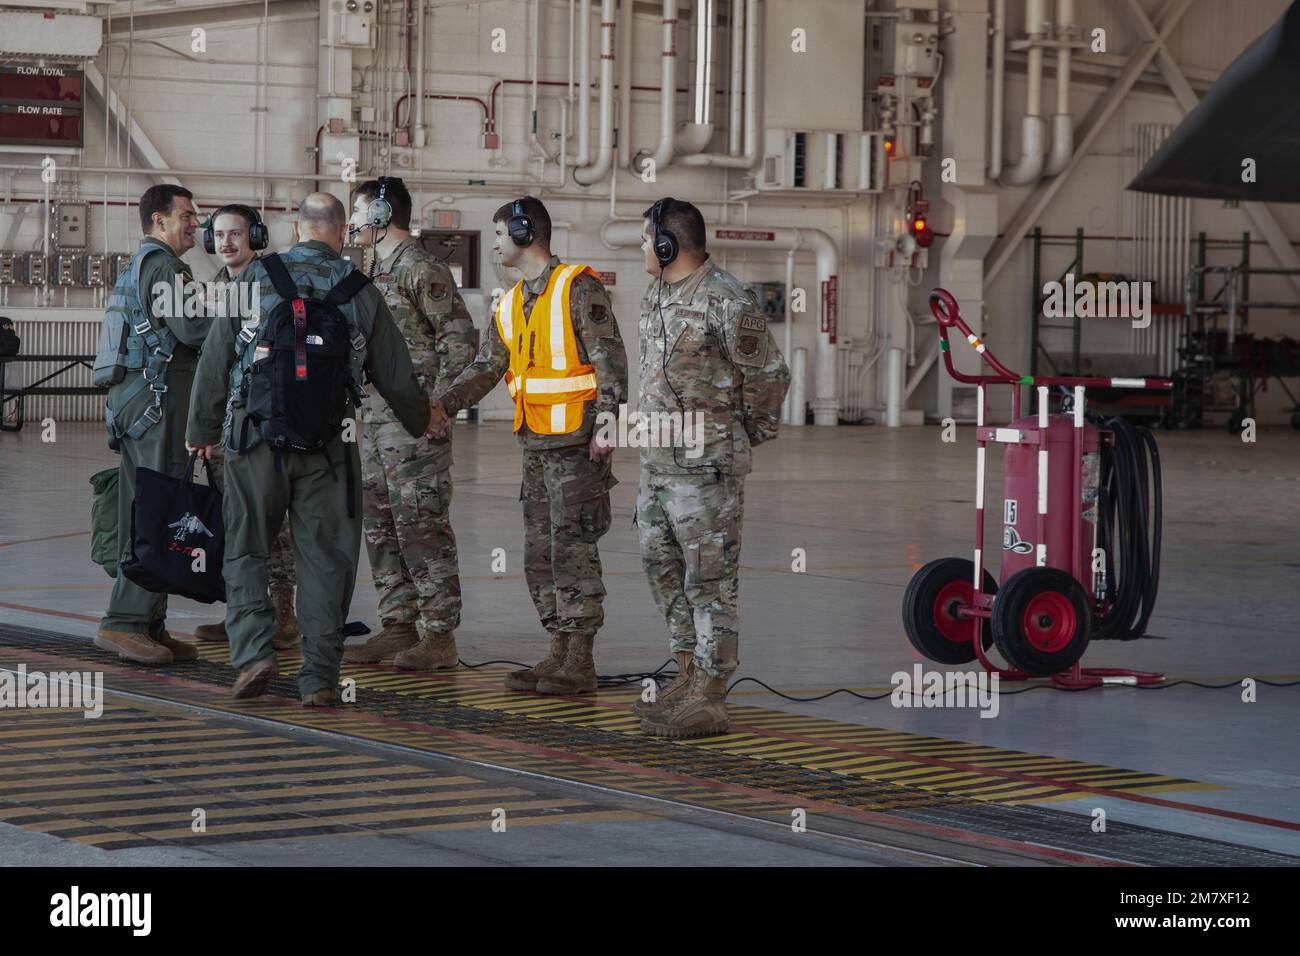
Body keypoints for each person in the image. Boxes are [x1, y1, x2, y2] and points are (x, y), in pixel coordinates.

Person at [186, 193, 434, 705]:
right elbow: (394, 373)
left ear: (296, 230)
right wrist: (422, 422)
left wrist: (203, 431)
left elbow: (214, 359)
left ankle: (255, 653)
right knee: (326, 558)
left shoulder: (255, 277)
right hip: (329, 444)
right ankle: (320, 676)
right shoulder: (360, 290)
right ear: (341, 234)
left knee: (247, 548)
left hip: (255, 439)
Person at [428, 196, 627, 694]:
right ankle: (558, 650)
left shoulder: (579, 288)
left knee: (572, 548)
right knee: (540, 553)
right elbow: (488, 366)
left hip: (578, 446)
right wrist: (444, 404)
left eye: (498, 234)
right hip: (536, 446)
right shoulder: (512, 302)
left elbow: (611, 360)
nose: (495, 244)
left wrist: (608, 425)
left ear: (523, 232)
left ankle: (579, 659)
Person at [632, 198, 789, 738]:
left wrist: (746, 433)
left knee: (710, 583)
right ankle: (688, 673)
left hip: (706, 471)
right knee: (661, 568)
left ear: (667, 243)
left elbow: (769, 375)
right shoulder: (656, 294)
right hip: (657, 464)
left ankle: (712, 694)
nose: (641, 251)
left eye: (644, 240)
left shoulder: (728, 299)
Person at [340, 179, 476, 669]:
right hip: (375, 423)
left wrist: (438, 408)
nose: (352, 222)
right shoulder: (373, 272)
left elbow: (459, 344)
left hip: (414, 426)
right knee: (381, 525)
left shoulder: (422, 269)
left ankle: (439, 634)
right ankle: (398, 624)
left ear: (379, 212)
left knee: (422, 526)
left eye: (357, 211)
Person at [94, 185, 206, 665]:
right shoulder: (163, 268)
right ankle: (124, 622)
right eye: (186, 216)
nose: (194, 224)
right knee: (157, 511)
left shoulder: (140, 265)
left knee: (151, 508)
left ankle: (150, 624)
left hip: (138, 404)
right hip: (156, 407)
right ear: (158, 221)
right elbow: (193, 330)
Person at [192, 203, 299, 649]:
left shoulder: (269, 281)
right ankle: (241, 611)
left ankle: (283, 615)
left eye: (236, 233)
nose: (227, 243)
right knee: (234, 522)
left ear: (255, 235)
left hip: (262, 420)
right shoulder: (218, 287)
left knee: (272, 523)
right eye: (218, 235)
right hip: (227, 423)